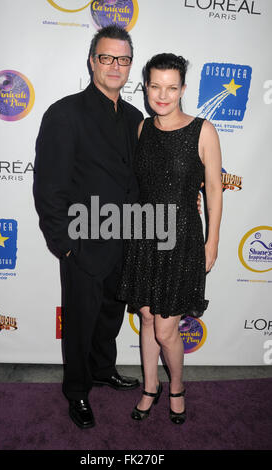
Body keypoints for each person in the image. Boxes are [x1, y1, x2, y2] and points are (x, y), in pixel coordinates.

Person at [33, 25, 143, 429]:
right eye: (107, 57)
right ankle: (77, 390)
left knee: (111, 315)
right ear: (92, 61)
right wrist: (64, 244)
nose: (116, 66)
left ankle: (102, 369)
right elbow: (49, 186)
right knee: (79, 321)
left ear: (130, 65)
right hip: (81, 244)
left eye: (123, 58)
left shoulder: (135, 117)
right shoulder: (65, 113)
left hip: (126, 239)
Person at [117, 53, 223, 425]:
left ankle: (176, 385)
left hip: (182, 240)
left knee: (166, 329)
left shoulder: (203, 130)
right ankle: (150, 386)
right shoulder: (142, 128)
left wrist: (212, 242)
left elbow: (213, 188)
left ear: (183, 89)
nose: (163, 95)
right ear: (145, 87)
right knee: (147, 318)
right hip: (144, 234)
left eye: (172, 87)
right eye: (155, 86)